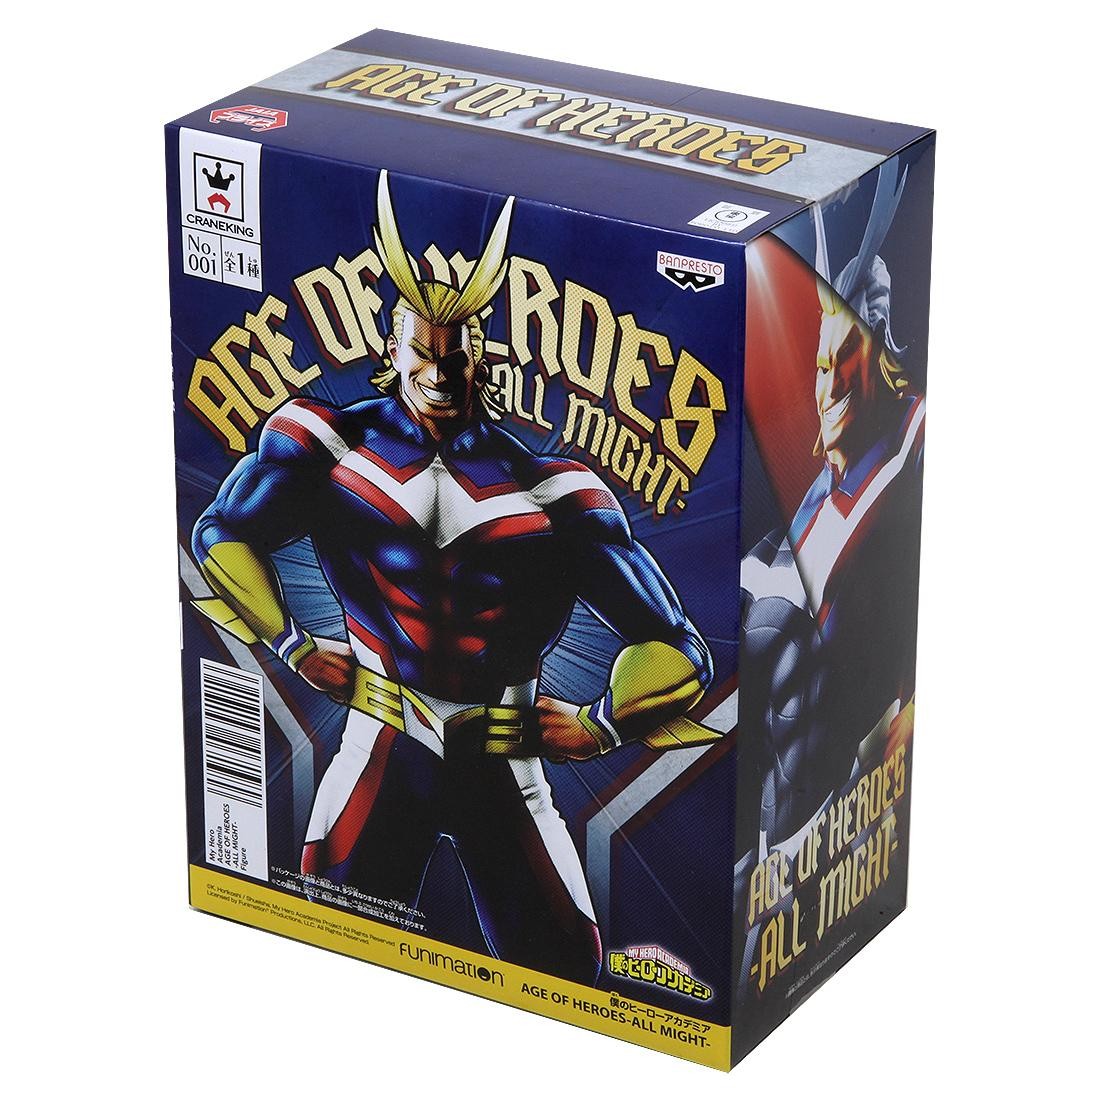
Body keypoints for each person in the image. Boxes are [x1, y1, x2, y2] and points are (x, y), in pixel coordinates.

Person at [192, 171, 712, 983]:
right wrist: (293, 644)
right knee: (325, 942)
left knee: (570, 976)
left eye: (455, 354)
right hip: (379, 743)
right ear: (392, 348)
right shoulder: (327, 445)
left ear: (481, 358)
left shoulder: (555, 493)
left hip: (502, 762)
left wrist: (602, 724)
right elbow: (220, 533)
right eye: (423, 351)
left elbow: (679, 648)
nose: (438, 371)